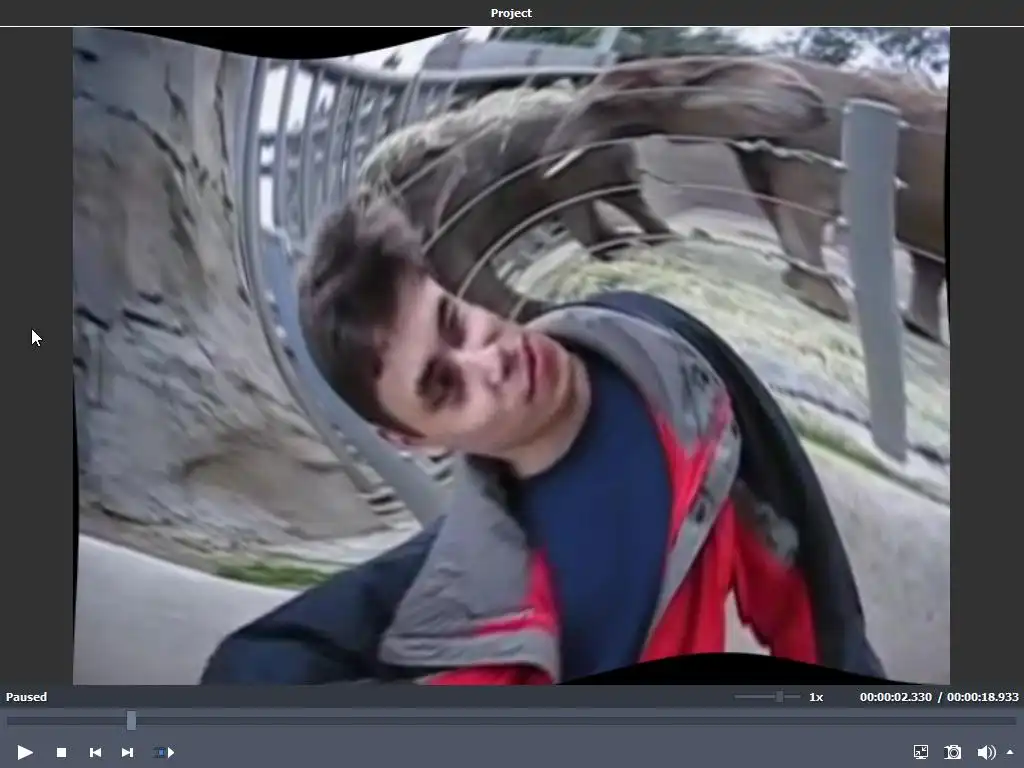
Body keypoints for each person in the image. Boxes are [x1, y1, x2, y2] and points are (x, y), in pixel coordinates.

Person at [201, 197, 884, 684]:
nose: (488, 358)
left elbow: (804, 557)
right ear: (415, 441)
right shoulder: (471, 592)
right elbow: (249, 674)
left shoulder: (663, 349)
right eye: (443, 385)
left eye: (454, 321)